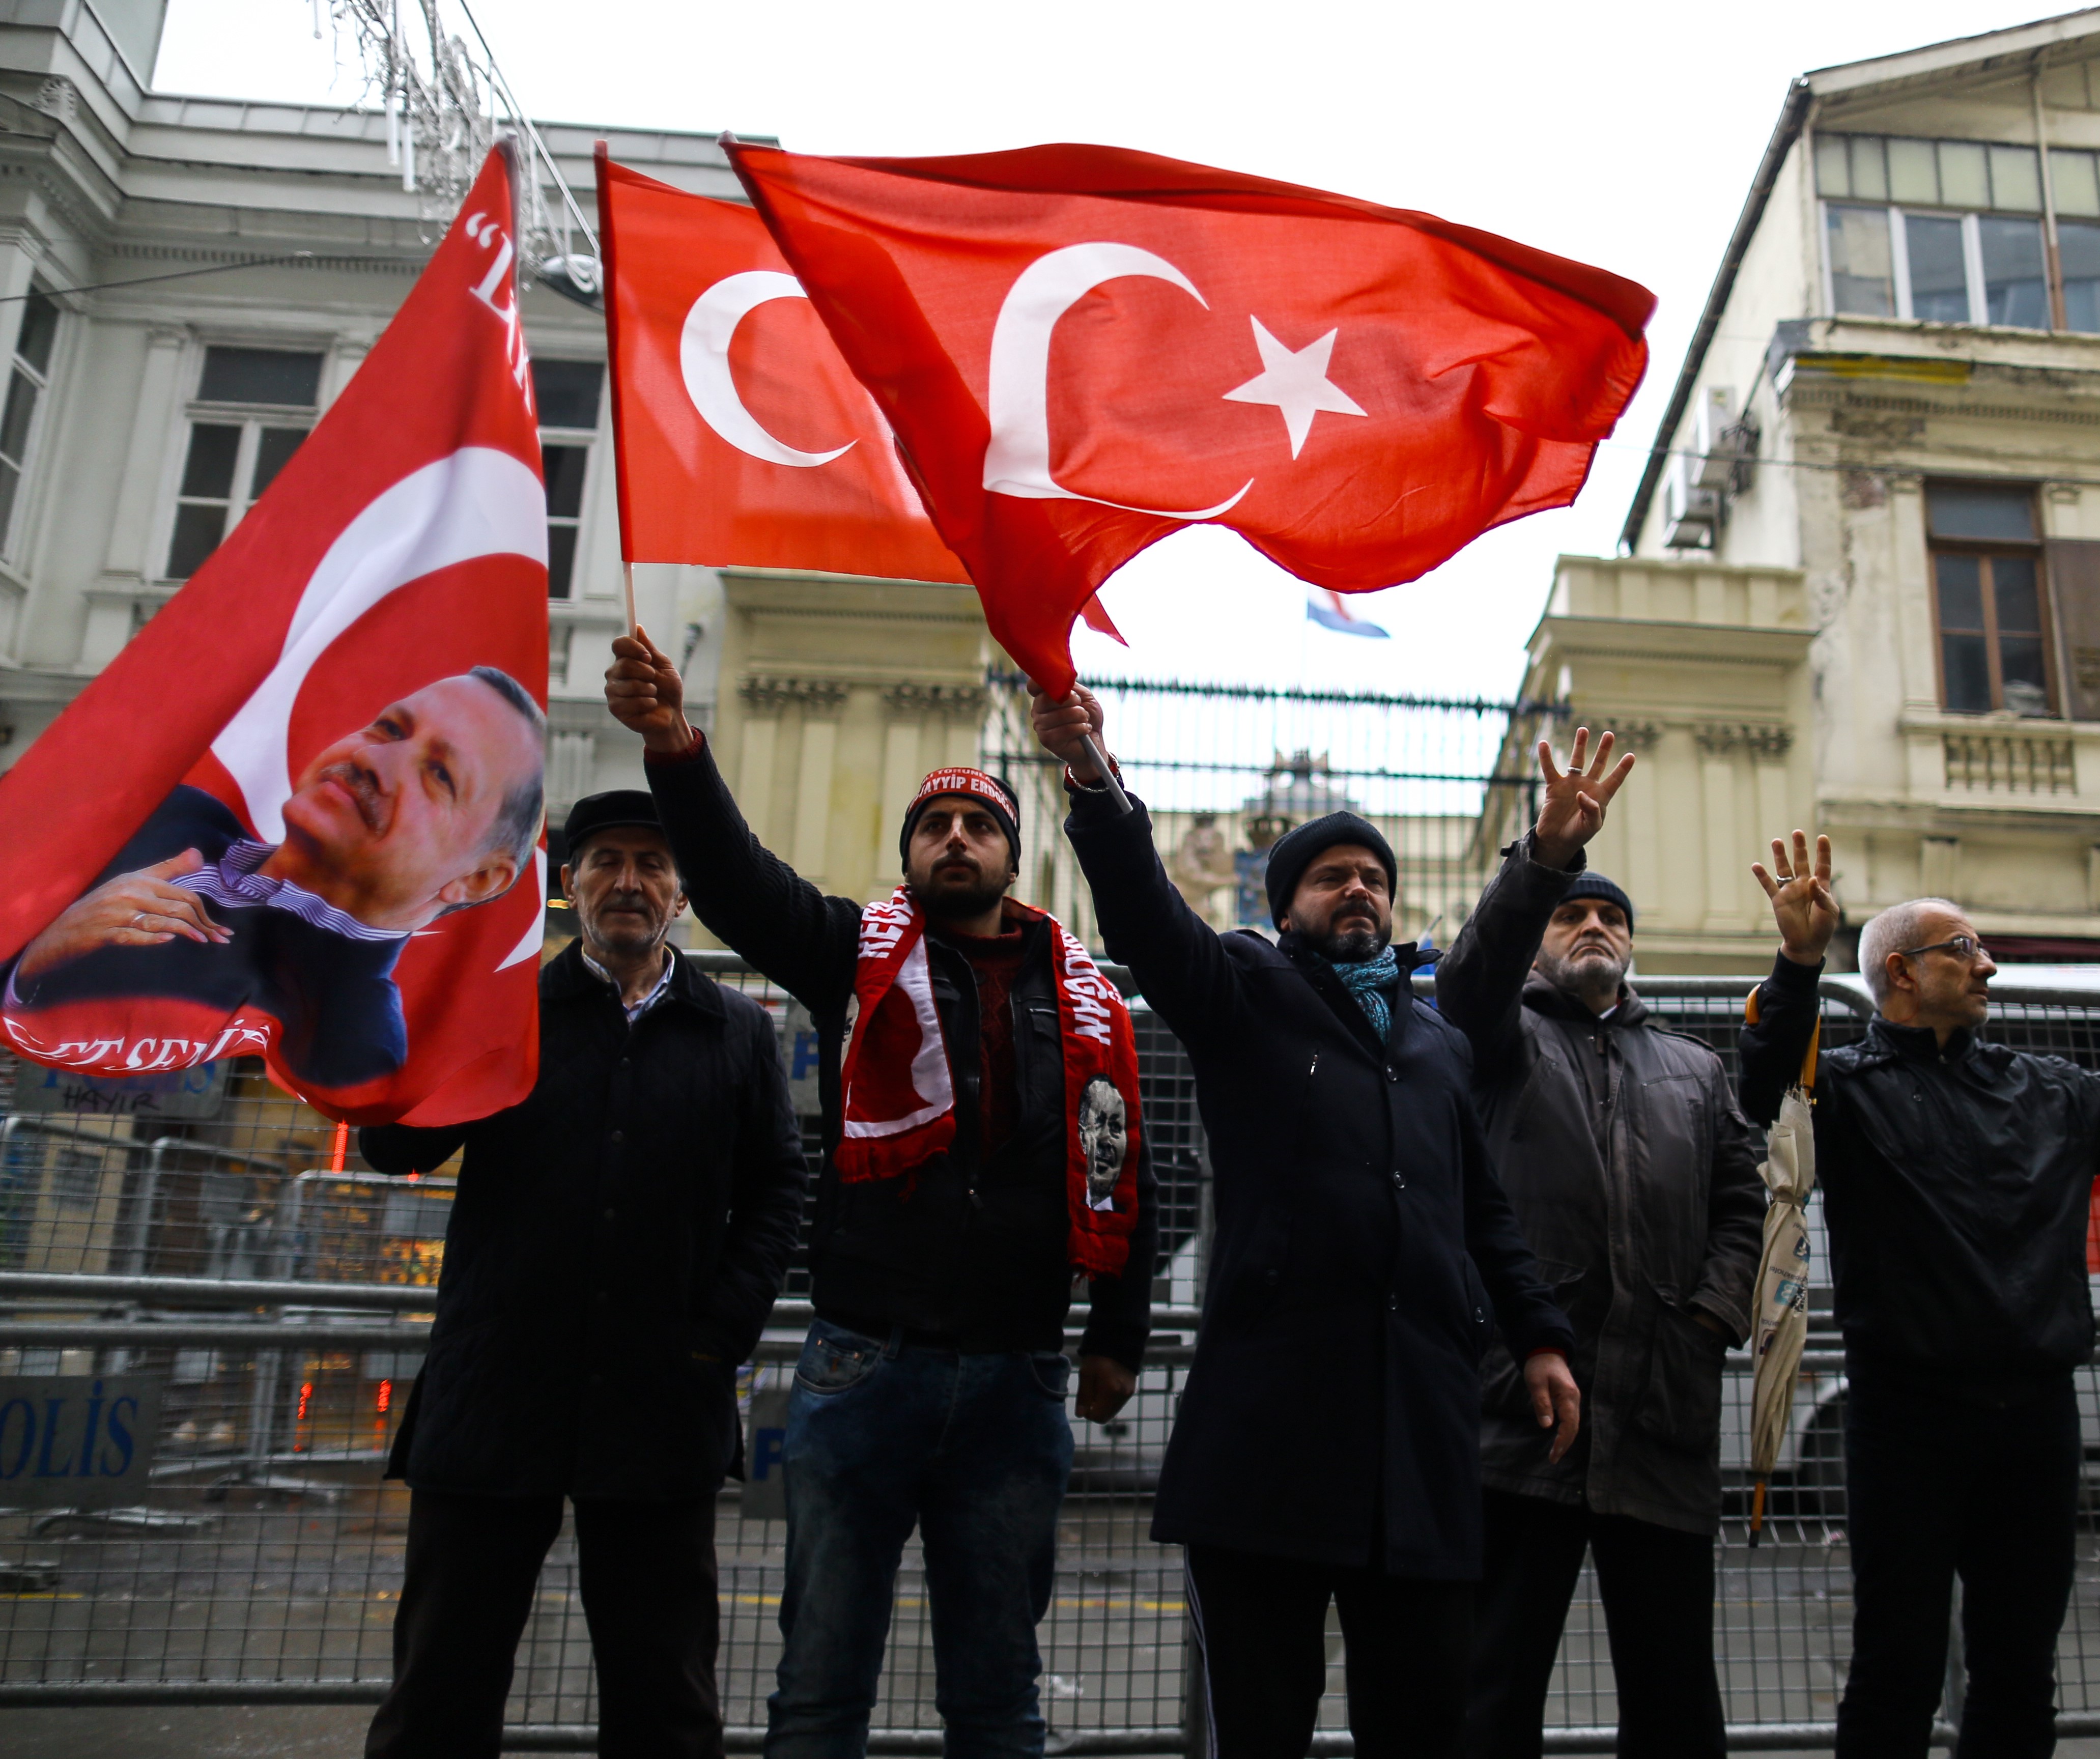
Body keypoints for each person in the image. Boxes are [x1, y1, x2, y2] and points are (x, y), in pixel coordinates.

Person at [605, 628, 1155, 1759]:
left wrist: (1118, 1333)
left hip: (1019, 1379)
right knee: (819, 1685)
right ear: (909, 853)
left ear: (1013, 857)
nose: (957, 838)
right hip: (862, 1368)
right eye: (935, 826)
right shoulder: (854, 952)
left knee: (1000, 1697)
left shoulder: (1084, 999)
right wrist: (675, 748)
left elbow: (1120, 1161)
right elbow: (739, 884)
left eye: (980, 825)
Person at [1028, 686, 1581, 1759]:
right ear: (1288, 910)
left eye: (1374, 877)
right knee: (1264, 1727)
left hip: (1417, 1447)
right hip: (1270, 1439)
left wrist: (1542, 1336)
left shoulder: (1437, 1046)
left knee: (1422, 1721)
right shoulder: (1245, 991)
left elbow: (1485, 1215)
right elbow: (1146, 914)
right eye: (1332, 878)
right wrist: (1098, 786)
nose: (1359, 891)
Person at [1737, 831, 2100, 1759]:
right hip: (1902, 1421)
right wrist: (1797, 959)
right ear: (1899, 973)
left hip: (2032, 1419)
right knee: (1893, 1664)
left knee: (2018, 1666)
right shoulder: (1845, 1093)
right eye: (1964, 949)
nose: (1987, 963)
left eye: (1983, 948)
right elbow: (1764, 1084)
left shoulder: (2046, 1090)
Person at [360, 788, 807, 1759]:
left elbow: (778, 1191)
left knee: (665, 1698)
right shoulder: (504, 1007)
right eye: (605, 861)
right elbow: (392, 1150)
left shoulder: (735, 1033)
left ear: (682, 892)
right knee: (441, 1685)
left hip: (660, 1401)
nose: (629, 882)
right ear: (567, 887)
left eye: (652, 863)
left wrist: (716, 1333)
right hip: (495, 1396)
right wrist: (413, 1028)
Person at [1435, 729, 1766, 1759]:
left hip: (1660, 1416)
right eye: (1574, 913)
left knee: (1675, 1702)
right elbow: (1468, 983)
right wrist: (1548, 857)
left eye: (1609, 915)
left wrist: (1711, 1316)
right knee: (1491, 1694)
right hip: (1521, 1414)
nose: (1592, 925)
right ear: (1540, 933)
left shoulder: (1692, 1069)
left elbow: (1743, 1205)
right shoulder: (1490, 1039)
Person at [3, 667, 544, 1086]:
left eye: (440, 774)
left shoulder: (356, 1038)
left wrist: (37, 971)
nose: (375, 760)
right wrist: (34, 957)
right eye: (388, 728)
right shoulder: (167, 809)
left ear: (477, 880)